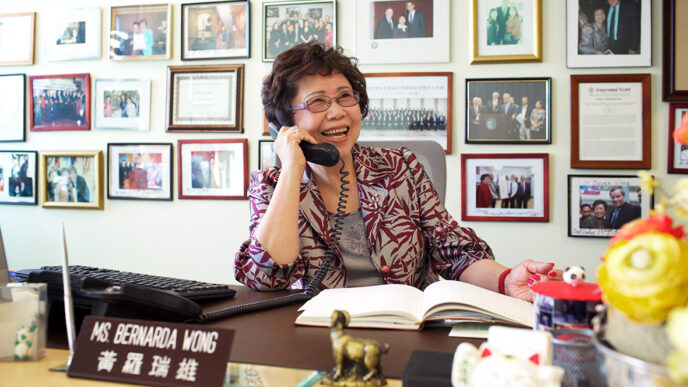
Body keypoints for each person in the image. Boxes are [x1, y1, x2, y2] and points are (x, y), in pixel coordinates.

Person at [235, 42, 562, 299]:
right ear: (285, 122)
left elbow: (456, 251)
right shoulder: (270, 186)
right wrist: (293, 168)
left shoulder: (401, 166)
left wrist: (507, 281)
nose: (337, 112)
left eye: (345, 97)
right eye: (318, 102)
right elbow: (266, 278)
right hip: (316, 338)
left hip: (406, 330)